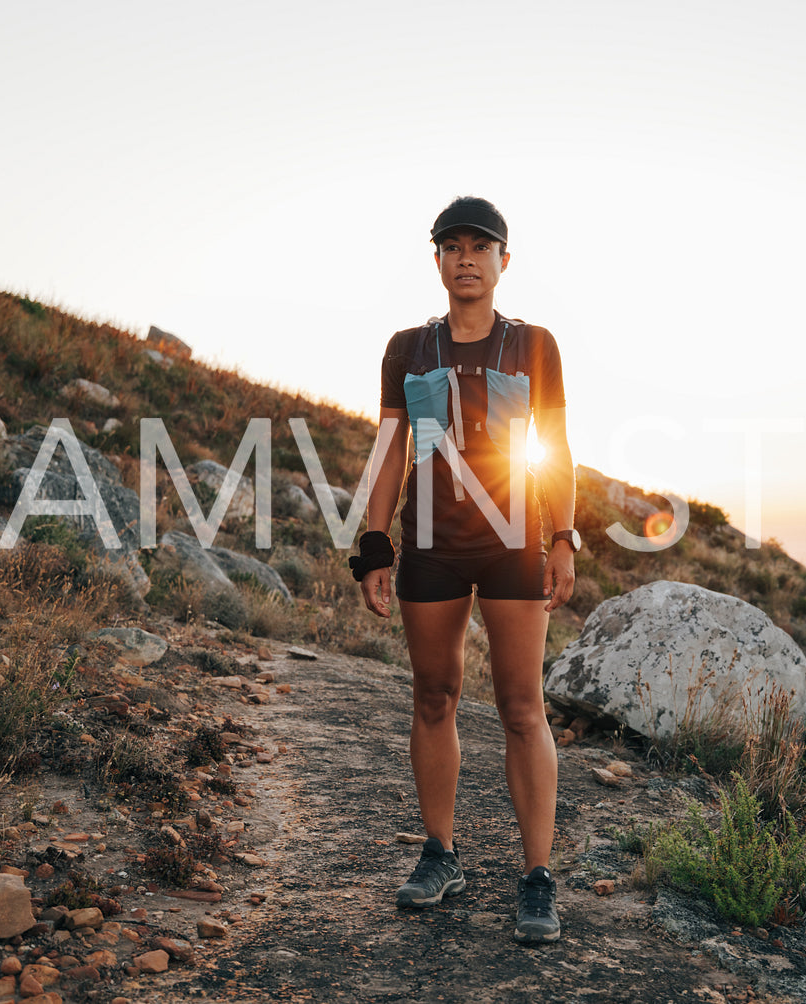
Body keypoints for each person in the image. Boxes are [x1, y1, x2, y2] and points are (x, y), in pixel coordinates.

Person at [348, 196, 580, 945]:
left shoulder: (534, 345)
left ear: (503, 262)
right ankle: (439, 854)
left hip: (512, 543)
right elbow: (390, 449)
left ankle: (537, 877)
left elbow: (556, 447)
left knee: (521, 707)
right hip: (430, 545)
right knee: (433, 697)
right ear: (438, 260)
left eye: (481, 246)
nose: (467, 258)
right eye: (452, 246)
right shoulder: (406, 349)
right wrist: (373, 542)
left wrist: (563, 537)